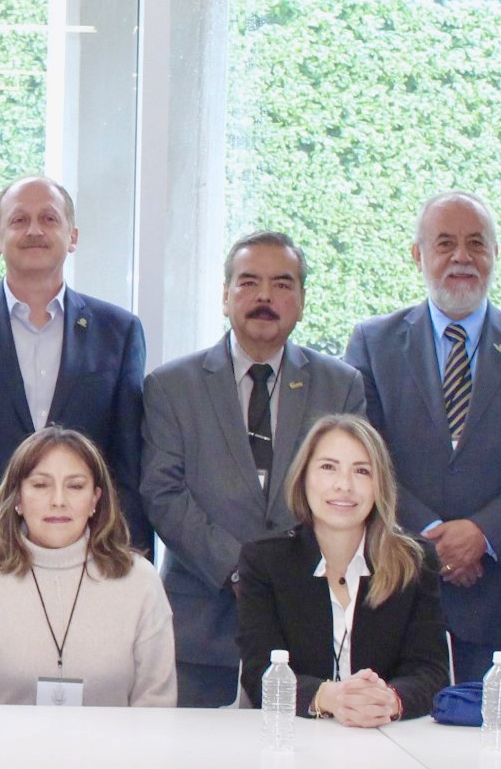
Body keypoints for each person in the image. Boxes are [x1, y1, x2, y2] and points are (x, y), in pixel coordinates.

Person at [345, 191, 501, 682]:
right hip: (398, 583)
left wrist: (483, 534)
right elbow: (364, 455)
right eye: (445, 243)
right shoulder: (373, 343)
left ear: (495, 253)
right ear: (418, 255)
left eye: (476, 243)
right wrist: (434, 537)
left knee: (496, 729)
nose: (461, 257)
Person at [0, 177, 150, 628]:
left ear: (72, 237)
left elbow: (129, 460)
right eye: (19, 220)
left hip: (90, 557)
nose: (34, 230)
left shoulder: (118, 331)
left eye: (49, 219)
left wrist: (133, 557)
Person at [142, 231, 364, 707]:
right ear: (225, 296)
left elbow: (350, 493)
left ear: (302, 301)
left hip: (307, 623)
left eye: (282, 284)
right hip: (201, 627)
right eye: (248, 282)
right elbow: (163, 494)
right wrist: (239, 570)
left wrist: (281, 574)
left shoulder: (341, 386)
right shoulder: (171, 386)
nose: (265, 296)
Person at [234, 415, 449, 726]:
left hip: (387, 737)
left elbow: (431, 672)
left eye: (362, 471)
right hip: (296, 735)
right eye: (328, 467)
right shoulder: (265, 561)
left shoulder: (414, 560)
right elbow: (260, 674)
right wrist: (330, 698)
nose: (344, 485)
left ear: (380, 485)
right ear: (303, 476)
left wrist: (389, 700)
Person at [0, 427, 175, 707]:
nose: (58, 501)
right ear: (17, 498)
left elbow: (156, 705)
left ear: (95, 500)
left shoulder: (139, 580)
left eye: (75, 486)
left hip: (114, 739)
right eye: (41, 485)